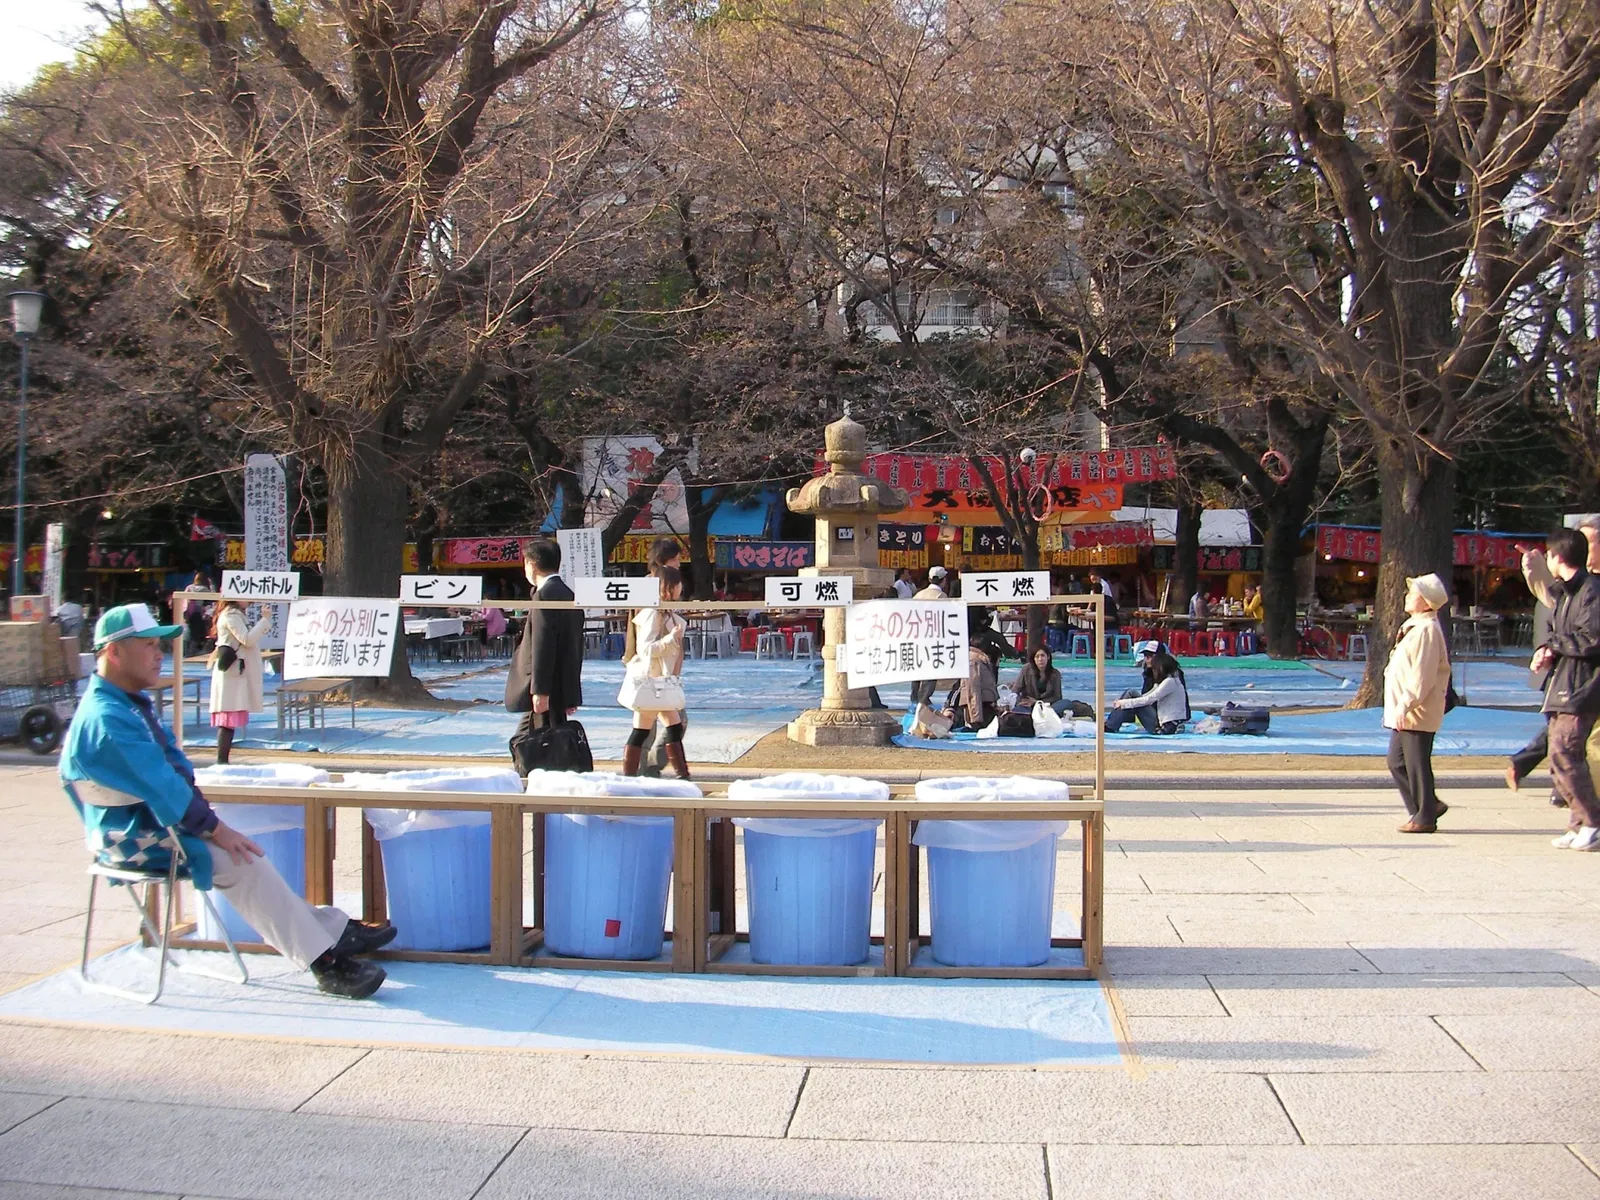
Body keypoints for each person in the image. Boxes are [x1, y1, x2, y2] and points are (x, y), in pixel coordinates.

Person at [61, 604, 392, 998]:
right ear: (114, 653)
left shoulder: (116, 705)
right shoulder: (109, 717)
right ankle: (326, 962)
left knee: (243, 851)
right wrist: (215, 829)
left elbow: (166, 779)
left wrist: (209, 823)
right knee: (241, 859)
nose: (158, 655)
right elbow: (165, 785)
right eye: (148, 645)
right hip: (139, 839)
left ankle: (332, 930)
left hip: (133, 830)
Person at [1508, 519, 1600, 795]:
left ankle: (1579, 804)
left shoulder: (1590, 588)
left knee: (1571, 739)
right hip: (1572, 673)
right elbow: (1552, 606)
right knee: (1564, 735)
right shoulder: (1573, 585)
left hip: (1585, 674)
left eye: (1588, 542)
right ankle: (1574, 799)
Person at [1532, 528, 1600, 850]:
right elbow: (1559, 636)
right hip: (1563, 682)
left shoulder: (1591, 591)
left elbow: (1591, 640)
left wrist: (1554, 645)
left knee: (1566, 752)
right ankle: (1578, 822)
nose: (1547, 560)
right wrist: (1547, 650)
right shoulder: (1564, 594)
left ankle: (1592, 821)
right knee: (1557, 755)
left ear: (1558, 557)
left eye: (1548, 555)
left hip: (1583, 686)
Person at [1384, 573, 1454, 834]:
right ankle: (1427, 806)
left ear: (1426, 602)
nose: (1407, 596)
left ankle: (1425, 815)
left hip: (1416, 708)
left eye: (1413, 593)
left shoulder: (1427, 630)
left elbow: (1422, 674)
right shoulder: (1415, 626)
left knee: (1415, 762)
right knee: (1397, 761)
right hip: (1405, 707)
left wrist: (1406, 703)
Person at [505, 539, 584, 768]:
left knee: (534, 743)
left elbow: (542, 645)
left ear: (531, 564)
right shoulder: (569, 594)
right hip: (560, 683)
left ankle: (538, 785)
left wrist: (540, 690)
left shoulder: (544, 596)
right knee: (546, 740)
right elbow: (574, 648)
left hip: (544, 684)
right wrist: (571, 692)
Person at [623, 565, 690, 778]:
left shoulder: (664, 612)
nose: (681, 587)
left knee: (661, 728)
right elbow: (646, 649)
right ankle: (679, 775)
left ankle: (678, 774)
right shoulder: (654, 613)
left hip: (658, 682)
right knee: (660, 729)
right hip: (652, 681)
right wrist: (672, 639)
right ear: (669, 586)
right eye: (678, 583)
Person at [208, 598, 273, 765]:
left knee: (229, 718)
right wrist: (265, 620)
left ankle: (223, 760)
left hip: (235, 672)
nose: (250, 601)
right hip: (232, 673)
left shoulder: (235, 614)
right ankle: (222, 761)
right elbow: (247, 639)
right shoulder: (231, 615)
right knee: (227, 718)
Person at [1105, 648, 1189, 734]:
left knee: (1131, 695)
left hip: (1166, 726)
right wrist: (1123, 702)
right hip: (1161, 720)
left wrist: (1123, 703)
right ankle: (1114, 722)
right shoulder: (1166, 680)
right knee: (1131, 693)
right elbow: (1146, 695)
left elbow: (1149, 699)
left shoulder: (1170, 682)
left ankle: (1111, 725)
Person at [908, 566, 952, 707]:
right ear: (943, 580)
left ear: (929, 579)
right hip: (933, 638)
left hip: (916, 636)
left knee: (917, 668)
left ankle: (915, 697)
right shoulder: (942, 597)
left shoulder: (918, 595)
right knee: (931, 668)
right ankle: (924, 698)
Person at [183, 573, 211, 648]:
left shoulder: (189, 587)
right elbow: (209, 604)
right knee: (198, 636)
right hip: (199, 615)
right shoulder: (205, 589)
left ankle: (186, 652)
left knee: (189, 634)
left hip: (188, 614)